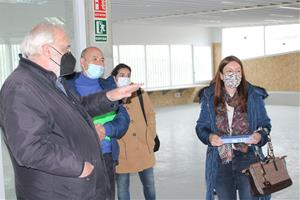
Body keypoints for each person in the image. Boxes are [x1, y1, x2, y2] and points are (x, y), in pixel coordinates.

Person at [0, 23, 140, 200]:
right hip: (59, 190)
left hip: (75, 187)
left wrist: (110, 96)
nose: (69, 54)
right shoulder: (22, 87)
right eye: (65, 48)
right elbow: (30, 149)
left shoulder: (51, 81)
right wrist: (80, 167)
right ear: (48, 50)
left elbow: (78, 107)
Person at [195, 55, 272, 200]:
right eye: (229, 71)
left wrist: (259, 136)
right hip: (220, 159)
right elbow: (201, 127)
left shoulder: (254, 96)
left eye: (238, 71)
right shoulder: (209, 97)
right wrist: (210, 137)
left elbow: (265, 124)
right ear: (222, 76)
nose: (234, 75)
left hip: (248, 157)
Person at [66, 46, 130, 200]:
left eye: (102, 60)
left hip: (106, 155)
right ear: (83, 62)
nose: (100, 63)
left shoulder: (108, 86)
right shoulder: (68, 87)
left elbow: (123, 118)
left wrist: (106, 130)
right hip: (80, 157)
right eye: (95, 59)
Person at [112, 63, 157, 200]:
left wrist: (150, 136)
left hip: (143, 146)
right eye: (122, 75)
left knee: (149, 185)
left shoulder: (139, 92)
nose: (125, 78)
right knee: (122, 187)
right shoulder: (109, 95)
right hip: (121, 150)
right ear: (114, 77)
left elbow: (150, 114)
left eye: (128, 75)